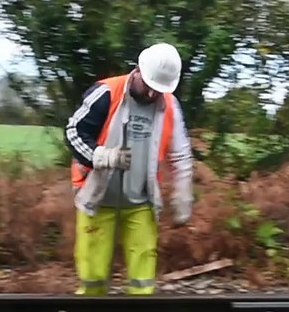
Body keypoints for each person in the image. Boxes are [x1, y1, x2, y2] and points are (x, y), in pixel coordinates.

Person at [64, 42, 194, 295]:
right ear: (137, 70)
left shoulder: (170, 106)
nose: (152, 95)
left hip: (141, 202)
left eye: (158, 90)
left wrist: (183, 196)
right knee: (92, 278)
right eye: (148, 86)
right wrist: (102, 156)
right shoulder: (106, 92)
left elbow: (181, 155)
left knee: (143, 281)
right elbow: (73, 132)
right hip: (98, 198)